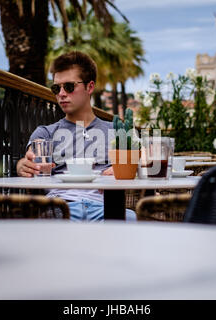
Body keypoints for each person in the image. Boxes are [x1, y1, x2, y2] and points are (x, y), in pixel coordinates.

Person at [16, 51, 136, 221]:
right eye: (56, 88)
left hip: (107, 208)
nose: (62, 94)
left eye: (69, 87)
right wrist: (23, 165)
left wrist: (127, 169)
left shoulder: (117, 132)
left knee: (132, 220)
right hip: (61, 209)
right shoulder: (46, 132)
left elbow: (143, 161)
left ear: (90, 87)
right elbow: (29, 159)